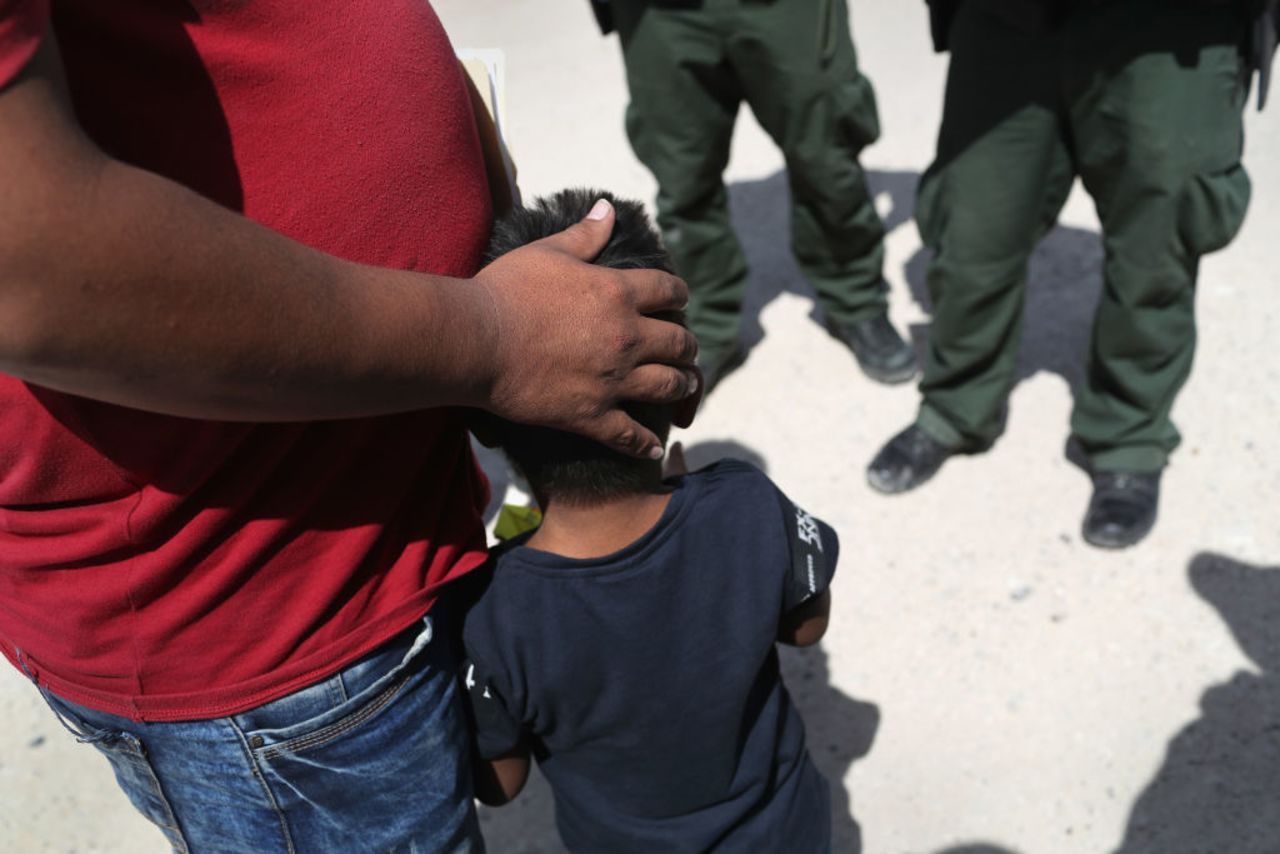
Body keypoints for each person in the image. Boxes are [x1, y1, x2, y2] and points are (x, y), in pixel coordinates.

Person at [0, 2, 697, 850]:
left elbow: (500, 773)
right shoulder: (732, 515)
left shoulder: (516, 607)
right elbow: (27, 261)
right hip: (266, 616)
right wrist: (493, 337)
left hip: (383, 509)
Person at [460, 188, 840, 852]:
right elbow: (807, 628)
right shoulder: (747, 506)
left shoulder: (493, 611)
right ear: (684, 394)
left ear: (487, 429)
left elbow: (500, 783)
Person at [868, 0, 1262, 549]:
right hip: (1008, 20)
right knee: (972, 229)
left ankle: (1128, 437)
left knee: (1157, 248)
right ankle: (957, 407)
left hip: (1173, 29)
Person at [593, 0, 918, 390]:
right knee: (683, 179)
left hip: (785, 10)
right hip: (657, 12)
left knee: (827, 159)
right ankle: (709, 326)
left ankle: (855, 299)